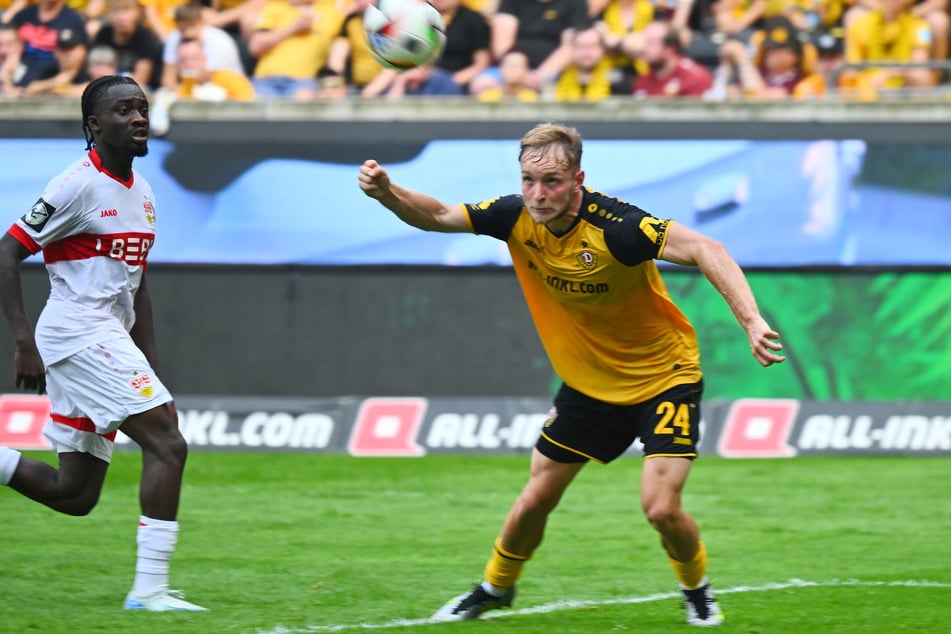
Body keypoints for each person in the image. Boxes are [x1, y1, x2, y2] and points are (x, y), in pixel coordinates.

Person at [358, 122, 785, 627]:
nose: (538, 195)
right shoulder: (513, 216)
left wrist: (752, 320)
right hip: (589, 385)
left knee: (661, 509)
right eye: (529, 181)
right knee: (535, 498)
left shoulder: (618, 228)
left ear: (578, 178)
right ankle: (496, 587)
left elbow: (707, 249)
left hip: (663, 376)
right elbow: (438, 215)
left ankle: (697, 590)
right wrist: (388, 192)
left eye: (553, 182)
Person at [0, 75, 205, 613]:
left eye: (141, 108)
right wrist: (23, 341)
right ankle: (150, 591)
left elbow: (140, 282)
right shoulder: (75, 184)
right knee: (168, 444)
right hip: (77, 330)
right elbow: (5, 254)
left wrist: (151, 364)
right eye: (123, 111)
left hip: (107, 334)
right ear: (95, 125)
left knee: (76, 495)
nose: (138, 118)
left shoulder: (142, 189)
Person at [91, 0, 165, 92]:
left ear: (136, 13)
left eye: (126, 11)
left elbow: (141, 79)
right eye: (116, 11)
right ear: (108, 14)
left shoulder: (144, 37)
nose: (121, 17)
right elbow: (96, 71)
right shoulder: (103, 35)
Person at [632, 20, 713, 97]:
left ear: (669, 49)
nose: (645, 48)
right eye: (645, 42)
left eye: (651, 42)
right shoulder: (642, 81)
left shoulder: (694, 77)